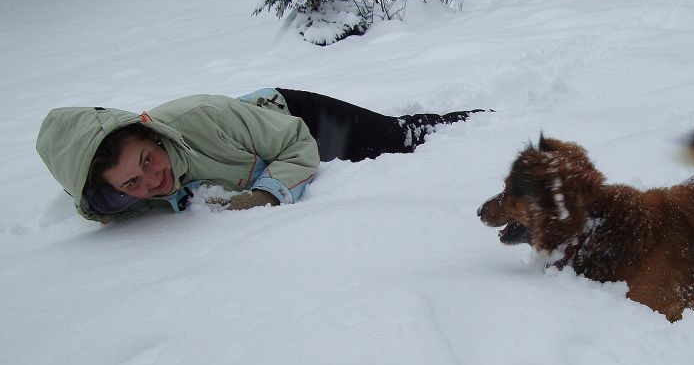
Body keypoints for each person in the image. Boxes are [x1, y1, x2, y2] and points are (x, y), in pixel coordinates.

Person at [36, 88, 483, 223]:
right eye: (130, 184)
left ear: (152, 136)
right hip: (272, 137)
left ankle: (482, 123)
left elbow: (298, 143)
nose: (151, 183)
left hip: (290, 119)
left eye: (148, 161)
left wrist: (266, 195)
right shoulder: (123, 195)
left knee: (396, 137)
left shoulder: (203, 117)